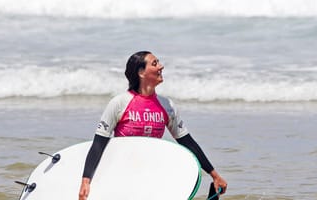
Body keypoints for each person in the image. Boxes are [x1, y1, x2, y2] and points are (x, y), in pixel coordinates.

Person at [78, 51, 228, 200]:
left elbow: (187, 142)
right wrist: (86, 181)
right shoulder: (119, 103)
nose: (161, 66)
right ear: (141, 72)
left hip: (152, 172)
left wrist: (214, 175)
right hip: (124, 172)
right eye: (155, 63)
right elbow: (99, 144)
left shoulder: (166, 105)